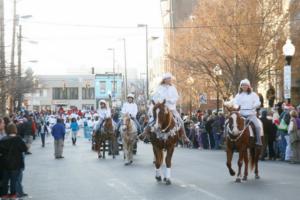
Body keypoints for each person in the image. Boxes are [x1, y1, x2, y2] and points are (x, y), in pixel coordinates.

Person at [142, 72, 189, 143]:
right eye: (168, 79)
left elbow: (176, 97)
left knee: (180, 121)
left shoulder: (173, 88)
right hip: (161, 107)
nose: (169, 80)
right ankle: (145, 133)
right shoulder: (159, 88)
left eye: (170, 78)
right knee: (152, 119)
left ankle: (184, 137)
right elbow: (155, 96)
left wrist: (169, 100)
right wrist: (157, 102)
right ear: (164, 79)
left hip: (170, 107)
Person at [0, 123, 28, 199]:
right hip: (16, 163)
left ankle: (4, 195)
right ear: (15, 129)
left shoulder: (3, 139)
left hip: (5, 163)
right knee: (14, 180)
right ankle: (13, 195)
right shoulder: (18, 139)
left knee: (5, 180)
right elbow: (24, 149)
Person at [233, 79, 263, 145]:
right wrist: (237, 106)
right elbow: (235, 103)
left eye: (246, 85)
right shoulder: (238, 95)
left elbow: (258, 102)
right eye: (243, 85)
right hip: (241, 115)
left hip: (251, 114)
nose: (244, 86)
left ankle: (258, 141)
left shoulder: (253, 94)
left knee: (258, 126)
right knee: (232, 124)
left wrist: (253, 106)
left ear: (248, 86)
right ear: (240, 86)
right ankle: (232, 141)